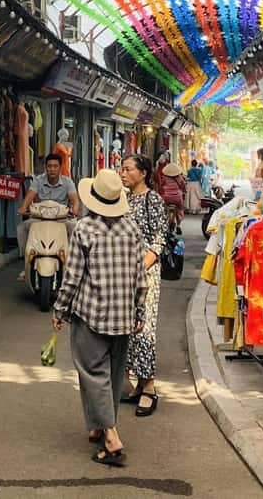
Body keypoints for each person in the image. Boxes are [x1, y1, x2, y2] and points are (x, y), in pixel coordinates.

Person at [53, 169, 147, 467]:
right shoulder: (131, 229)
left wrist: (60, 310)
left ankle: (111, 435)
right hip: (123, 317)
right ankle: (97, 426)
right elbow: (140, 277)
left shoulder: (84, 229)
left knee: (93, 374)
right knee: (113, 375)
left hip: (91, 315)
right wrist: (140, 311)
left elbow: (72, 278)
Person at [119, 155, 167, 417]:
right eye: (121, 169)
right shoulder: (122, 199)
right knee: (127, 329)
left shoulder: (154, 200)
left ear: (144, 173)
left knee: (144, 329)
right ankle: (137, 385)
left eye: (128, 169)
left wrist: (140, 267)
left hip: (146, 275)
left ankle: (149, 387)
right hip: (122, 274)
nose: (122, 173)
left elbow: (159, 240)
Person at [16, 153, 81, 279]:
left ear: (60, 168)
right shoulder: (38, 180)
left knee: (74, 228)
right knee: (22, 228)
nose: (52, 169)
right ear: (46, 168)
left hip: (61, 219)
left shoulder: (67, 182)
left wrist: (75, 209)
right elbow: (30, 195)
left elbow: (75, 199)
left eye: (55, 166)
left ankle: (73, 263)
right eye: (49, 166)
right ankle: (27, 263)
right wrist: (24, 207)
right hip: (40, 218)